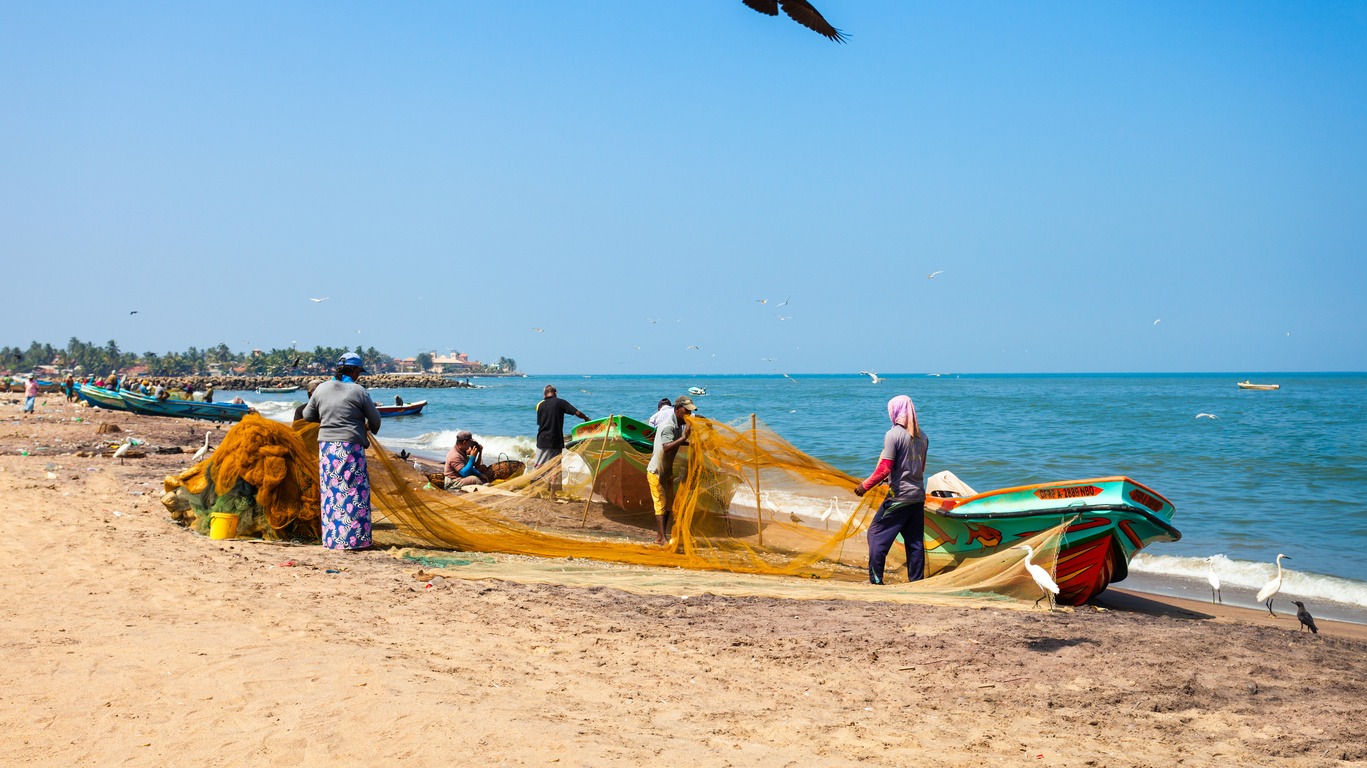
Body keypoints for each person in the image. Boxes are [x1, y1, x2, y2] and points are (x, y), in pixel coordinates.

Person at [301, 353, 383, 551]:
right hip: (350, 447)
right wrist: (367, 427)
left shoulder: (321, 388)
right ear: (354, 371)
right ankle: (355, 540)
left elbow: (307, 415)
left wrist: (329, 419)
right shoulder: (358, 391)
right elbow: (376, 420)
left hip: (327, 449)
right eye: (358, 373)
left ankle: (333, 540)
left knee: (331, 491)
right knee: (354, 491)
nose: (358, 376)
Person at [854, 395, 930, 584]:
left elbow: (885, 468)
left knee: (876, 533)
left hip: (899, 497)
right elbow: (920, 469)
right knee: (914, 542)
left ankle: (876, 580)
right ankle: (917, 582)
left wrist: (864, 486)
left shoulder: (893, 434)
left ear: (895, 412)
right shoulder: (923, 437)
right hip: (918, 496)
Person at [646, 395, 697, 545]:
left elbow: (675, 442)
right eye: (686, 411)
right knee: (660, 504)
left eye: (690, 411)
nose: (688, 414)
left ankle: (659, 536)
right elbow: (666, 447)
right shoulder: (668, 426)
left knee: (668, 504)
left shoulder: (678, 425)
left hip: (666, 471)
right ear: (677, 409)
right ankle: (662, 538)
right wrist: (684, 438)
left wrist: (690, 443)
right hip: (656, 472)